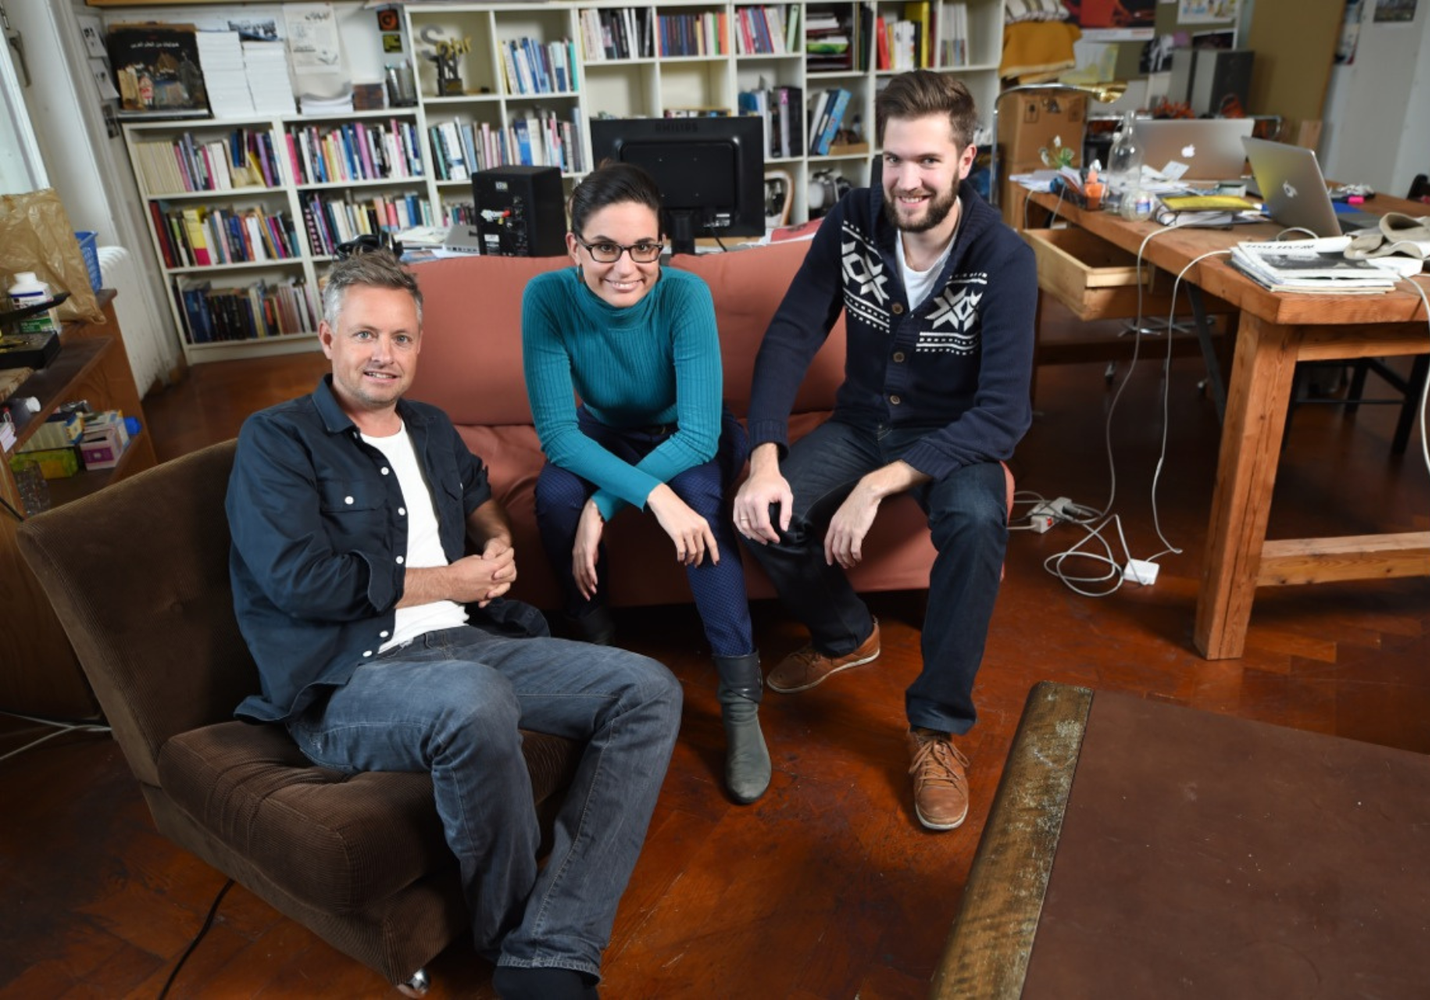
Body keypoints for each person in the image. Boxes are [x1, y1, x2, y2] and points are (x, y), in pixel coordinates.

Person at [225, 246, 682, 1000]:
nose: (385, 355)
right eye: (366, 335)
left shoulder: (431, 427)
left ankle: (548, 944)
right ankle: (512, 943)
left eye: (402, 338)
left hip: (467, 642)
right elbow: (298, 581)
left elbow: (476, 494)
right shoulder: (276, 441)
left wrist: (497, 540)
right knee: (474, 700)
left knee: (650, 689)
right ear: (327, 338)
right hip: (348, 680)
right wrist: (448, 579)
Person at [733, 70, 1036, 832]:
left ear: (966, 162)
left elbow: (1005, 414)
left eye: (928, 162)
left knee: (974, 523)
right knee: (761, 515)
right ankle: (846, 633)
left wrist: (879, 486)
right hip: (862, 420)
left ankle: (937, 728)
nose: (907, 181)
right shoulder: (853, 222)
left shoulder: (1004, 259)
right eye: (894, 160)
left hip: (953, 437)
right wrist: (764, 454)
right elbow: (792, 334)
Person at [520, 162, 770, 805]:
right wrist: (643, 496)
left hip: (685, 434)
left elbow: (697, 435)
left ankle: (741, 701)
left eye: (644, 247)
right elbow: (557, 436)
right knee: (553, 499)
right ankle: (595, 647)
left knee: (703, 508)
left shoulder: (684, 295)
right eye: (604, 247)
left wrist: (606, 505)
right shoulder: (545, 298)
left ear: (663, 245)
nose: (625, 266)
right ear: (574, 246)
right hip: (601, 431)